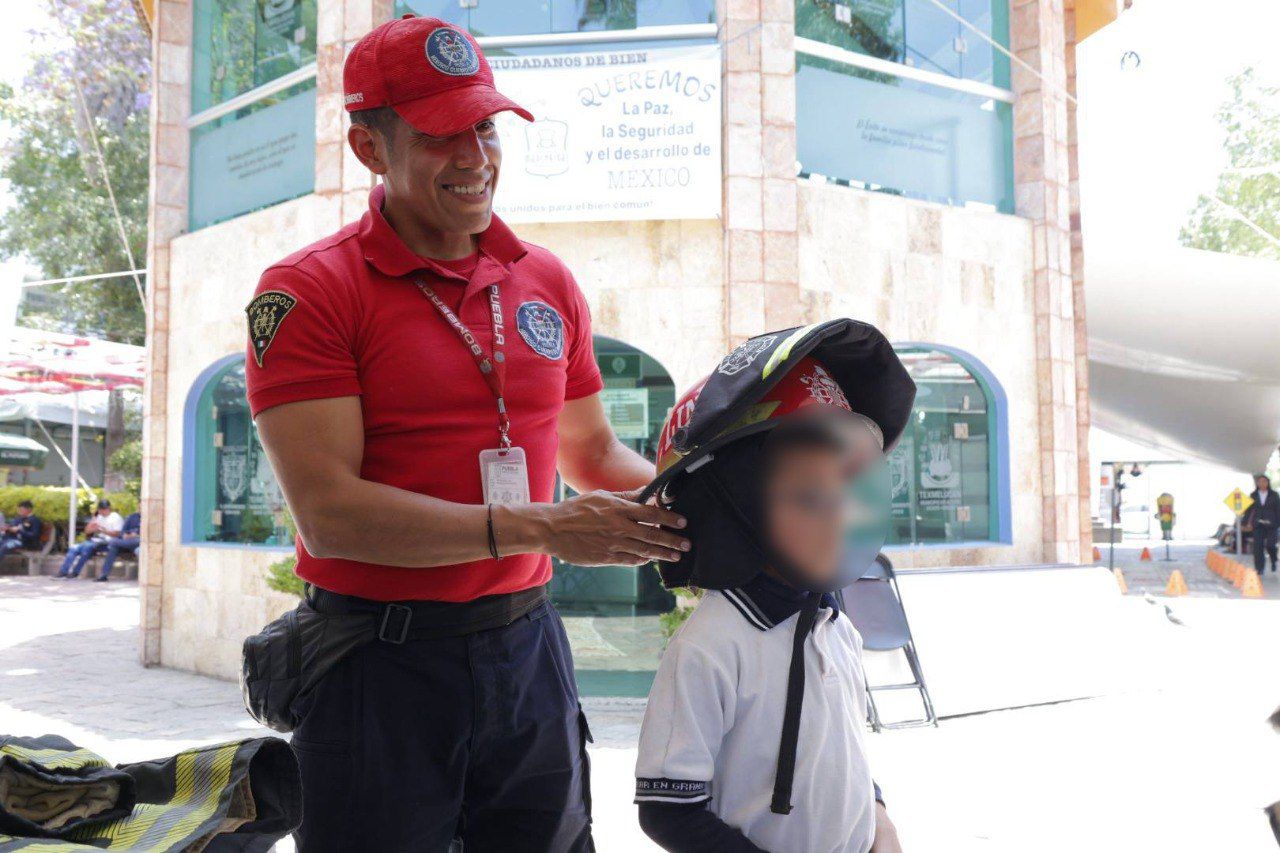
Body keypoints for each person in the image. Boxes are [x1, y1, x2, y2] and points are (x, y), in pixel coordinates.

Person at [244, 15, 688, 852]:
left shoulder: (546, 278)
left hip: (527, 651)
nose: (475, 156)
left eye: (484, 127)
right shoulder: (309, 290)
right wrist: (541, 526)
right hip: (376, 665)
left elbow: (593, 453)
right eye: (441, 134)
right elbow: (330, 515)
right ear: (370, 148)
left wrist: (727, 518)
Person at [633, 322, 914, 853]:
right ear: (732, 509)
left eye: (848, 495)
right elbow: (669, 812)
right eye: (809, 499)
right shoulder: (710, 648)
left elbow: (841, 752)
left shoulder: (834, 624)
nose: (840, 519)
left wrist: (879, 819)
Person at [57, 500, 123, 579]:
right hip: (95, 540)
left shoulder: (115, 517)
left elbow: (117, 534)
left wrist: (104, 531)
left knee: (86, 548)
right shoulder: (99, 517)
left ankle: (75, 573)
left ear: (109, 509)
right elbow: (87, 531)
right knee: (74, 548)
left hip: (108, 542)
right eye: (101, 509)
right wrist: (93, 522)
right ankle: (63, 572)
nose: (103, 511)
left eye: (105, 509)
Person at [1247, 474, 1280, 574]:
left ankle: (1273, 560)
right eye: (1260, 481)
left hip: (1271, 524)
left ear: (1268, 483)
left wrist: (1277, 523)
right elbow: (1249, 510)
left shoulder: (1274, 495)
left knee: (1271, 545)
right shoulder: (1253, 495)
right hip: (1258, 524)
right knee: (1258, 547)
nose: (1262, 483)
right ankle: (1259, 568)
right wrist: (1247, 523)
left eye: (1264, 481)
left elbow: (1278, 510)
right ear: (1257, 483)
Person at [95, 510, 141, 582]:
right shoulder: (132, 517)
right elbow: (122, 532)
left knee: (114, 543)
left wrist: (136, 535)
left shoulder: (149, 518)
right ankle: (103, 575)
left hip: (139, 542)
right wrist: (125, 535)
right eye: (140, 506)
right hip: (127, 542)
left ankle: (103, 574)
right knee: (113, 548)